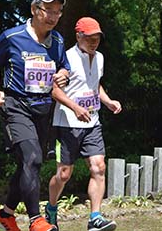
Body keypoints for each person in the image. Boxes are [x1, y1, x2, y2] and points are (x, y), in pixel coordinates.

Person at [0, 0, 71, 231]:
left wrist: (63, 75)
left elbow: (63, 66)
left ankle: (6, 215)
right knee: (32, 159)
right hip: (16, 106)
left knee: (28, 163)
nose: (54, 17)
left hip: (43, 109)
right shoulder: (12, 37)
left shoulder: (57, 40)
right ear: (34, 10)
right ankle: (36, 220)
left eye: (58, 12)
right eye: (49, 11)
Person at [46, 17, 122, 231]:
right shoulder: (66, 58)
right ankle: (51, 209)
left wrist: (107, 102)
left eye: (97, 38)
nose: (93, 42)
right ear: (78, 36)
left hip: (93, 122)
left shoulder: (99, 58)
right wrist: (75, 108)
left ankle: (95, 218)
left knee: (99, 167)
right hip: (66, 124)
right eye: (89, 38)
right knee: (64, 175)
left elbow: (95, 85)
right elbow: (54, 90)